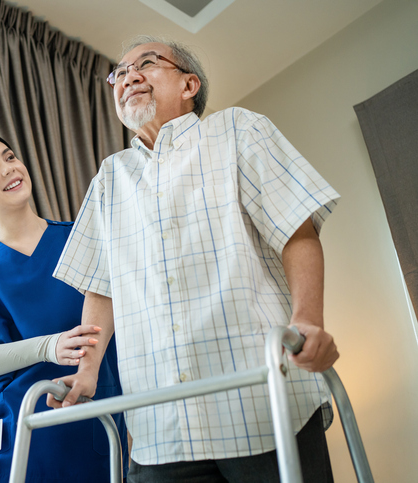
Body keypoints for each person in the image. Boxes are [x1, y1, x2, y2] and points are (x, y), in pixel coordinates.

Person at [48, 36, 340, 482]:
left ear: (189, 85)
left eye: (146, 63)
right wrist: (86, 371)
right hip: (160, 429)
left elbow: (296, 231)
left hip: (261, 406)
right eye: (119, 73)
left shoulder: (238, 130)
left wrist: (307, 321)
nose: (129, 77)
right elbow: (100, 285)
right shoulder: (110, 178)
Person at [0, 132, 129, 483]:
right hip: (9, 430)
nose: (8, 168)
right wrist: (46, 347)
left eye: (9, 157)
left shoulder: (82, 241)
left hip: (84, 422)